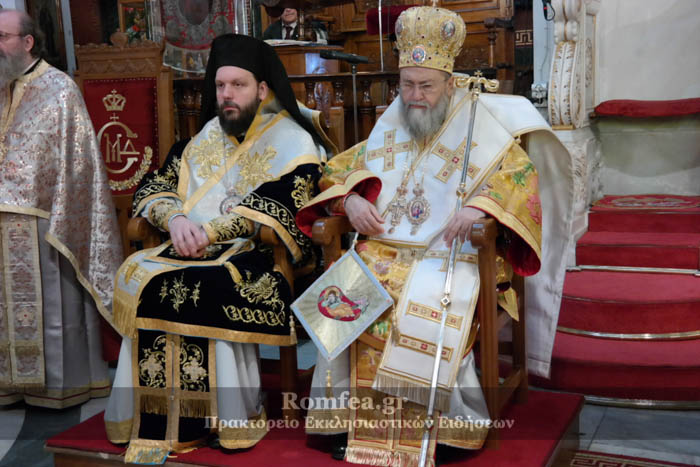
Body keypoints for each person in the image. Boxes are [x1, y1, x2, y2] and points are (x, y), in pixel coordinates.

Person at [296, 5, 573, 464]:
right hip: (383, 251)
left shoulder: (478, 122)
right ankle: (345, 421)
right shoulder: (393, 122)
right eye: (406, 85)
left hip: (452, 253)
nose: (415, 96)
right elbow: (338, 169)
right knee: (341, 294)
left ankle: (440, 430)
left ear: (449, 82)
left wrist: (480, 207)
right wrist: (352, 201)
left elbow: (519, 177)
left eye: (426, 86)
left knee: (416, 298)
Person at [103, 33, 334, 462]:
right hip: (187, 243)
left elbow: (286, 202)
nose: (227, 94)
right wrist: (175, 220)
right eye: (221, 85)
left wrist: (211, 232)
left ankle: (227, 415)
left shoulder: (293, 141)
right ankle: (155, 417)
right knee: (142, 272)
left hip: (256, 251)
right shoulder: (206, 135)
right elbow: (156, 183)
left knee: (204, 286)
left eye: (238, 85)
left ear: (261, 89)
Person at [0, 9, 122, 408]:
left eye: (2, 37)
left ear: (27, 42)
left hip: (43, 222)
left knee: (53, 309)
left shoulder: (60, 89)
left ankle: (57, 387)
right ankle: (8, 385)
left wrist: (63, 215)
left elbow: (80, 164)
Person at [262, 8, 327, 43]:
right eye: (284, 7)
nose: (288, 10)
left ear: (297, 9)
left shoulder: (314, 26)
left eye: (291, 6)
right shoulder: (270, 30)